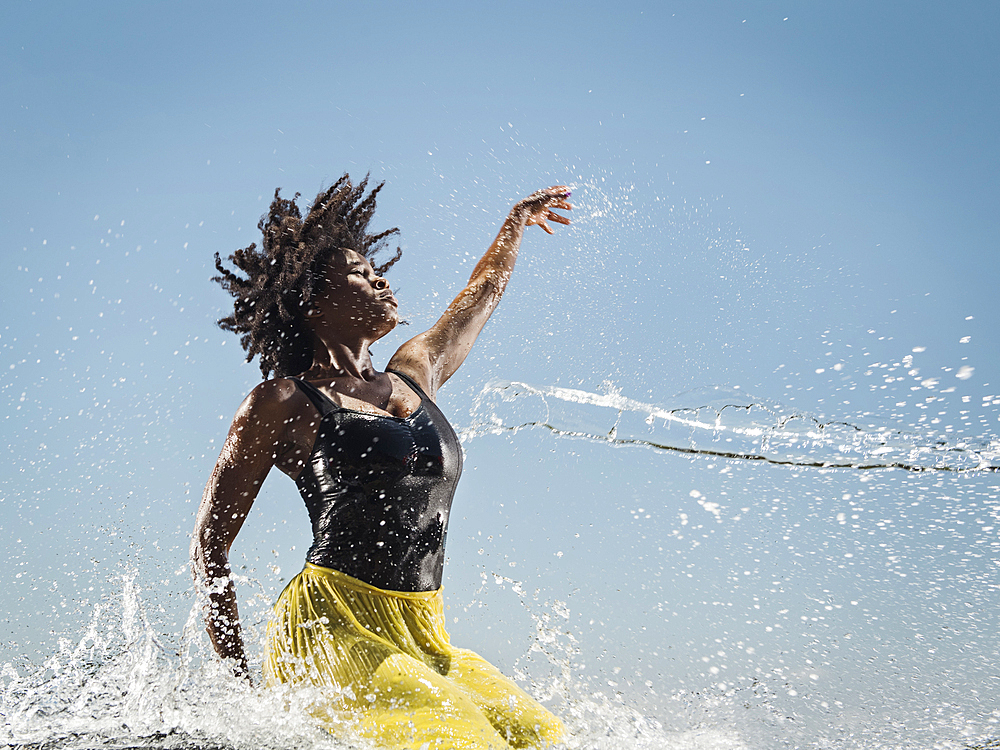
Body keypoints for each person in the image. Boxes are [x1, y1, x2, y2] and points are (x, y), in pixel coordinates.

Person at [191, 174, 572, 750]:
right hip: (330, 625)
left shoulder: (416, 370)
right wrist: (235, 688)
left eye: (377, 270)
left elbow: (484, 290)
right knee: (469, 743)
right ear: (314, 301)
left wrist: (514, 224)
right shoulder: (283, 402)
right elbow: (209, 547)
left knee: (543, 736)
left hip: (422, 629)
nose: (381, 278)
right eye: (360, 275)